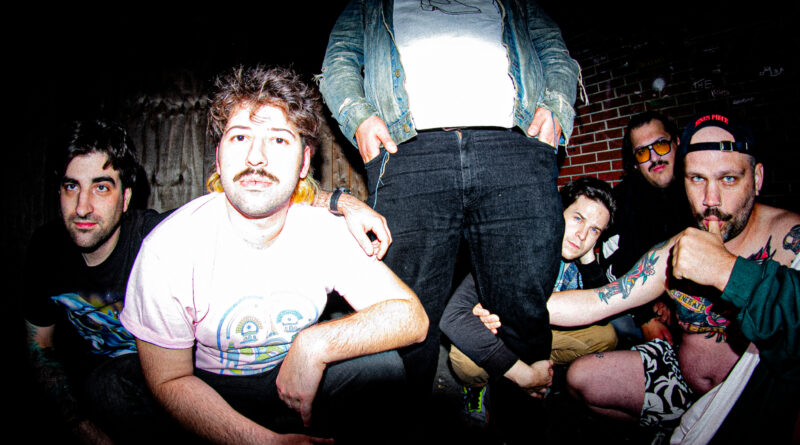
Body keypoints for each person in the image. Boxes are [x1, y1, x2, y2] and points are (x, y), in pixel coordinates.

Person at [23, 114, 395, 443]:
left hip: (193, 375)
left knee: (381, 371)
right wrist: (77, 425)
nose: (83, 207)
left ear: (125, 197)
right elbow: (39, 346)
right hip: (129, 388)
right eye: (71, 186)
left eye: (101, 187)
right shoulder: (46, 252)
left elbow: (258, 193)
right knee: (106, 384)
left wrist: (342, 202)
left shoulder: (160, 239)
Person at [120, 66, 429, 444]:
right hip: (208, 388)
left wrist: (315, 345)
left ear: (304, 163)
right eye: (240, 137)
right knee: (115, 391)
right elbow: (170, 379)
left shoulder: (323, 232)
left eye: (279, 140)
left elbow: (412, 318)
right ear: (218, 157)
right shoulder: (168, 249)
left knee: (382, 371)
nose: (256, 158)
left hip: (293, 373)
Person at [318, 2, 582, 423]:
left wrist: (556, 105)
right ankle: (405, 430)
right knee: (403, 312)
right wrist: (359, 117)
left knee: (523, 312)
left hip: (515, 145)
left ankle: (521, 430)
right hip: (408, 149)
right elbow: (340, 58)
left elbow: (553, 48)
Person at [547, 113, 800, 443]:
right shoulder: (682, 243)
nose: (710, 200)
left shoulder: (791, 238)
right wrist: (509, 305)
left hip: (750, 397)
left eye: (728, 179)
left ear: (757, 177)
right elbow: (601, 300)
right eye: (696, 179)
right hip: (679, 377)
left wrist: (728, 271)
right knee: (581, 376)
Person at [440, 176, 618, 429]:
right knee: (463, 356)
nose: (581, 235)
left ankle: (550, 372)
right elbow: (453, 317)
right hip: (506, 333)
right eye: (578, 219)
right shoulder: (516, 246)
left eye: (594, 230)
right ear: (557, 213)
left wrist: (588, 257)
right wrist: (524, 376)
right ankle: (477, 388)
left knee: (606, 335)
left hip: (546, 334)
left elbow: (603, 313)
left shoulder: (582, 259)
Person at [600, 111, 694, 346]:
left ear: (677, 142)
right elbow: (615, 266)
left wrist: (672, 300)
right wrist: (645, 316)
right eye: (642, 152)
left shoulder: (700, 188)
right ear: (635, 162)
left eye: (661, 145)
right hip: (642, 305)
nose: (654, 158)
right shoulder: (621, 202)